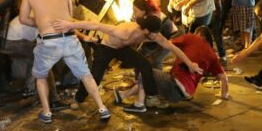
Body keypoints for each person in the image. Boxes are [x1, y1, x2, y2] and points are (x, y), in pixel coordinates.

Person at [53, 14, 203, 113]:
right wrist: (70, 25)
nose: (155, 36)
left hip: (122, 49)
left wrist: (190, 64)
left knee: (144, 64)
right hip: (106, 48)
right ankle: (79, 98)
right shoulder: (124, 31)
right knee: (96, 77)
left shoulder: (155, 35)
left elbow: (172, 47)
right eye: (152, 33)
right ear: (144, 29)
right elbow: (96, 25)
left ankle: (151, 96)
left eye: (157, 32)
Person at [19, 0, 110, 122]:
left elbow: (23, 19)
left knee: (41, 77)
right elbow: (68, 15)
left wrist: (42, 23)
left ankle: (47, 112)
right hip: (69, 38)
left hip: (48, 42)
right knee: (85, 75)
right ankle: (102, 108)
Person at [114, 26, 229, 107]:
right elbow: (224, 78)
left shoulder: (191, 37)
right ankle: (122, 95)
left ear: (199, 35)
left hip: (174, 85)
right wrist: (224, 94)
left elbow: (167, 43)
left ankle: (140, 103)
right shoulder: (213, 55)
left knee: (145, 71)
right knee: (153, 80)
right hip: (184, 94)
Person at [133, 0, 178, 70]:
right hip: (164, 36)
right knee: (151, 57)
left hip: (173, 37)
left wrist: (142, 52)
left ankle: (158, 78)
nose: (133, 13)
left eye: (135, 11)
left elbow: (152, 41)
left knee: (157, 59)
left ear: (143, 11)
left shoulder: (152, 19)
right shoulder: (147, 16)